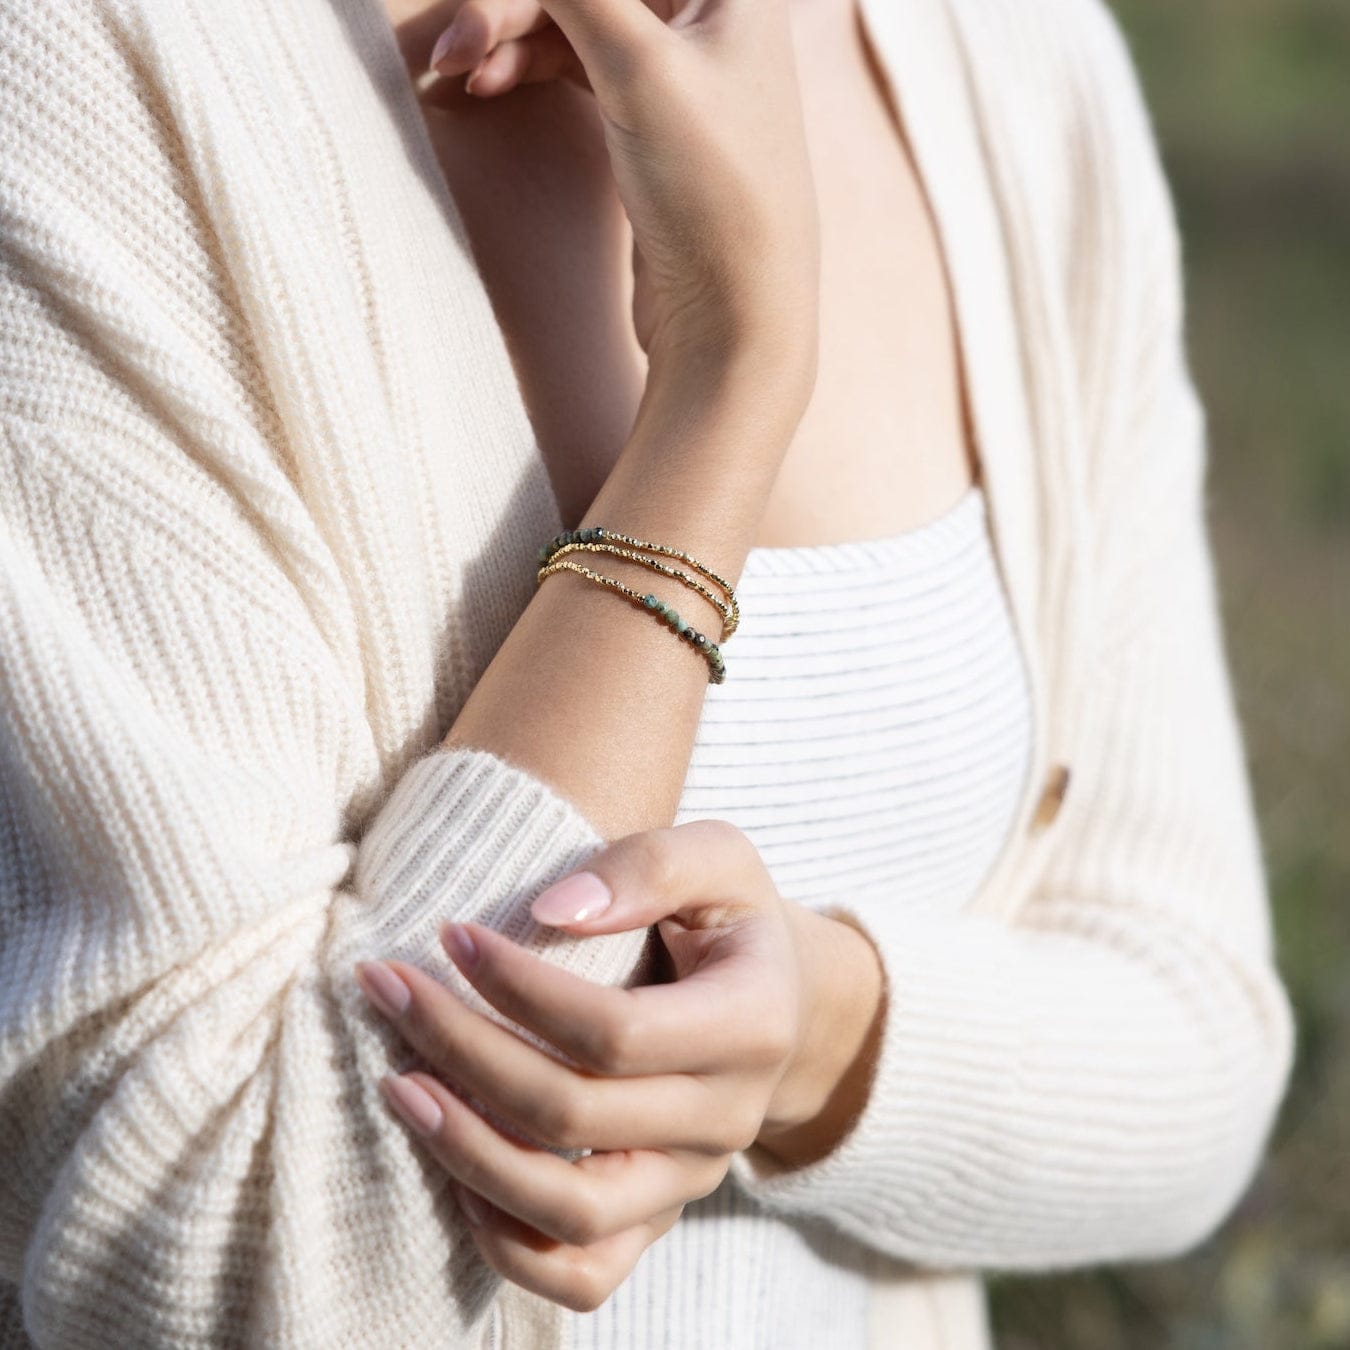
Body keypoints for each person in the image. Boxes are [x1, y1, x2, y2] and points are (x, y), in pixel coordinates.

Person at [0, 0, 1294, 1347]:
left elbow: (1194, 1045)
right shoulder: (81, 65)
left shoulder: (1009, 48)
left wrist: (811, 1040)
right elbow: (236, 1265)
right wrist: (733, 378)